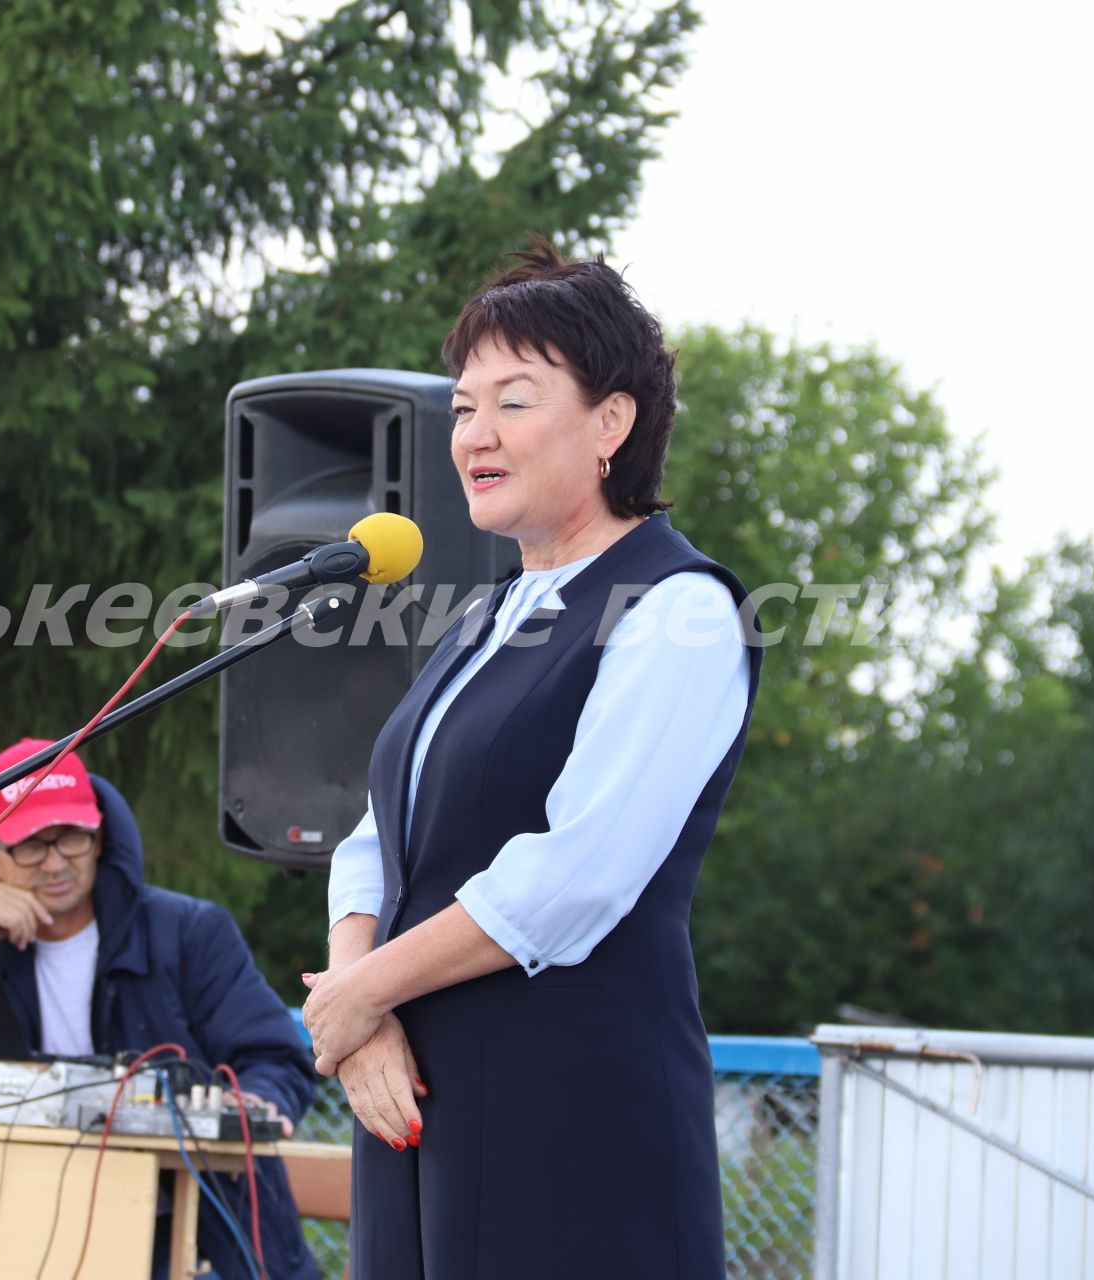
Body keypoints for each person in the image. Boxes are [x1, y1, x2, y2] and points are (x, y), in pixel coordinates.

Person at [299, 238, 763, 1279]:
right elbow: (378, 837)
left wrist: (361, 990)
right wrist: (360, 1005)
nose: (476, 434)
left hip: (572, 1120)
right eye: (464, 407)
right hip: (420, 1103)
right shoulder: (485, 614)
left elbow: (572, 876)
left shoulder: (678, 610)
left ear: (611, 421)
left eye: (515, 399)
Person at [0, 738, 320, 1280]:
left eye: (72, 837)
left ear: (99, 836)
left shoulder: (191, 931)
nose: (56, 862)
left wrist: (242, 1109)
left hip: (206, 1238)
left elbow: (277, 1061)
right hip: (27, 1236)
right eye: (32, 844)